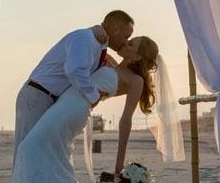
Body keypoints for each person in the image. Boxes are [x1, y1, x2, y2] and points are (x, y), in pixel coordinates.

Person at [8, 36, 161, 183]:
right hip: (65, 102)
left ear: (138, 56)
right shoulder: (109, 62)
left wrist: (119, 163)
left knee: (29, 148)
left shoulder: (135, 81)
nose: (126, 42)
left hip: (75, 108)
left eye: (132, 44)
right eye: (129, 39)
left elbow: (125, 121)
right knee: (40, 152)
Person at [12, 10, 134, 165]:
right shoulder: (85, 38)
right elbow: (75, 70)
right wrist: (94, 96)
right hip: (37, 95)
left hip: (49, 99)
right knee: (27, 149)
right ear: (116, 29)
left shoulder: (97, 43)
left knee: (40, 150)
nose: (126, 41)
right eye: (126, 36)